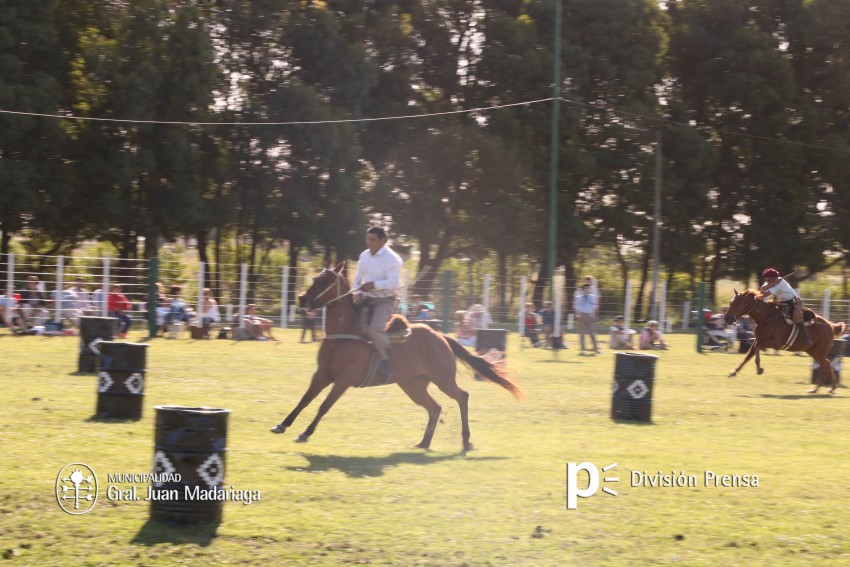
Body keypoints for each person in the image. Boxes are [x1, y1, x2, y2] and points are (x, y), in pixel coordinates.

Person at [352, 226, 403, 384]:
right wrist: (356, 291)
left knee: (374, 329)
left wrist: (374, 285)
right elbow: (357, 277)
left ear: (383, 240)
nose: (369, 242)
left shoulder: (393, 259)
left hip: (385, 300)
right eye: (368, 239)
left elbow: (394, 283)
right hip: (365, 298)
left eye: (373, 239)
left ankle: (386, 361)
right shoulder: (364, 255)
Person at [759, 267, 811, 348]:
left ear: (774, 277)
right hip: (783, 303)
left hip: (794, 303)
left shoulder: (781, 283)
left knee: (796, 315)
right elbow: (762, 288)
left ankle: (806, 336)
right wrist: (770, 284)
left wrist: (771, 286)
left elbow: (765, 294)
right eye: (766, 280)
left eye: (769, 280)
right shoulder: (772, 282)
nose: (767, 281)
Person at [574, 283, 600, 354]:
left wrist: (593, 314)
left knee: (592, 332)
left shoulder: (592, 297)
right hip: (582, 315)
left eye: (588, 288)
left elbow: (595, 306)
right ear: (582, 290)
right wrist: (578, 314)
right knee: (582, 333)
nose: (586, 290)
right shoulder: (579, 297)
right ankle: (582, 349)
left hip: (590, 315)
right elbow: (576, 306)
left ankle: (596, 349)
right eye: (585, 289)